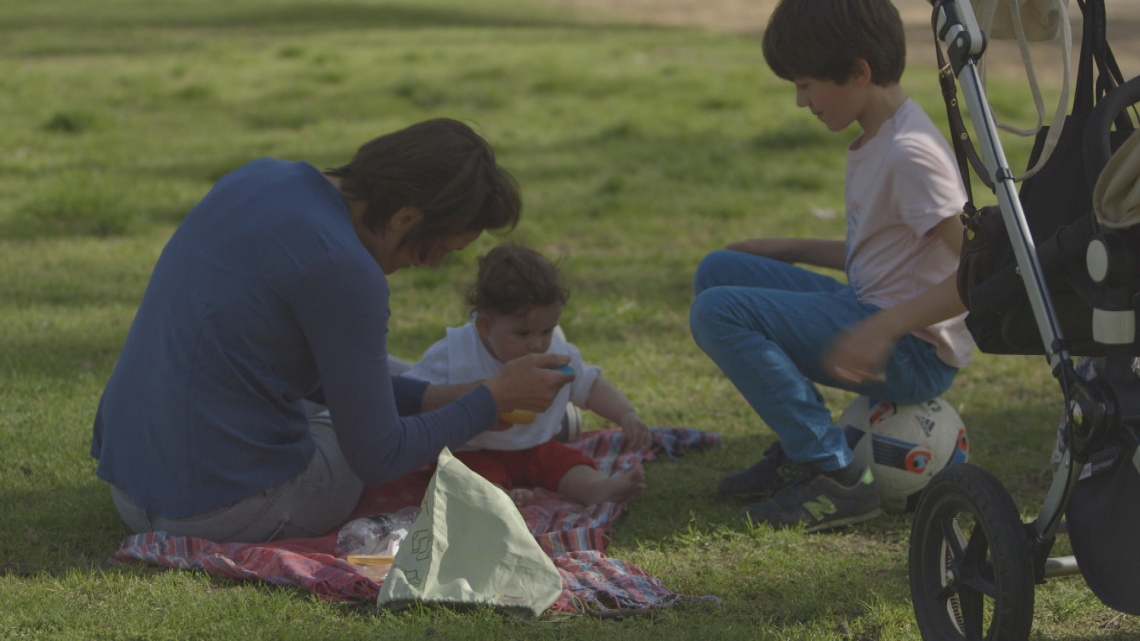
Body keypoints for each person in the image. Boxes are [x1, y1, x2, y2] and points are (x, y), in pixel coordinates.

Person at [91, 119, 575, 543]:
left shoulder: (258, 177)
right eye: (435, 249)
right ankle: (533, 429)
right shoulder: (345, 269)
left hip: (131, 488)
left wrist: (445, 398)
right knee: (362, 422)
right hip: (219, 512)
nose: (427, 265)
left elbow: (286, 357)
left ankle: (499, 412)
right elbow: (379, 455)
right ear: (407, 218)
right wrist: (488, 402)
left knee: (372, 375)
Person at [688, 0, 974, 532]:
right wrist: (789, 248)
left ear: (858, 72)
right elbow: (888, 256)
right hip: (872, 312)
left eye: (805, 85)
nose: (801, 102)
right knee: (718, 270)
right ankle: (807, 449)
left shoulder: (911, 154)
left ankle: (834, 471)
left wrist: (884, 327)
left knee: (716, 311)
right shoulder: (880, 138)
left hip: (912, 351)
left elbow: (982, 275)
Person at [404, 243, 651, 507]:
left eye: (547, 331)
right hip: (472, 450)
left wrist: (625, 413)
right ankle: (498, 501)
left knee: (567, 464)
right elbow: (410, 394)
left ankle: (595, 488)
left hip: (537, 447)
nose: (538, 344)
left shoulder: (555, 351)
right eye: (523, 334)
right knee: (462, 477)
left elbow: (589, 386)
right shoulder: (454, 353)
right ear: (485, 324)